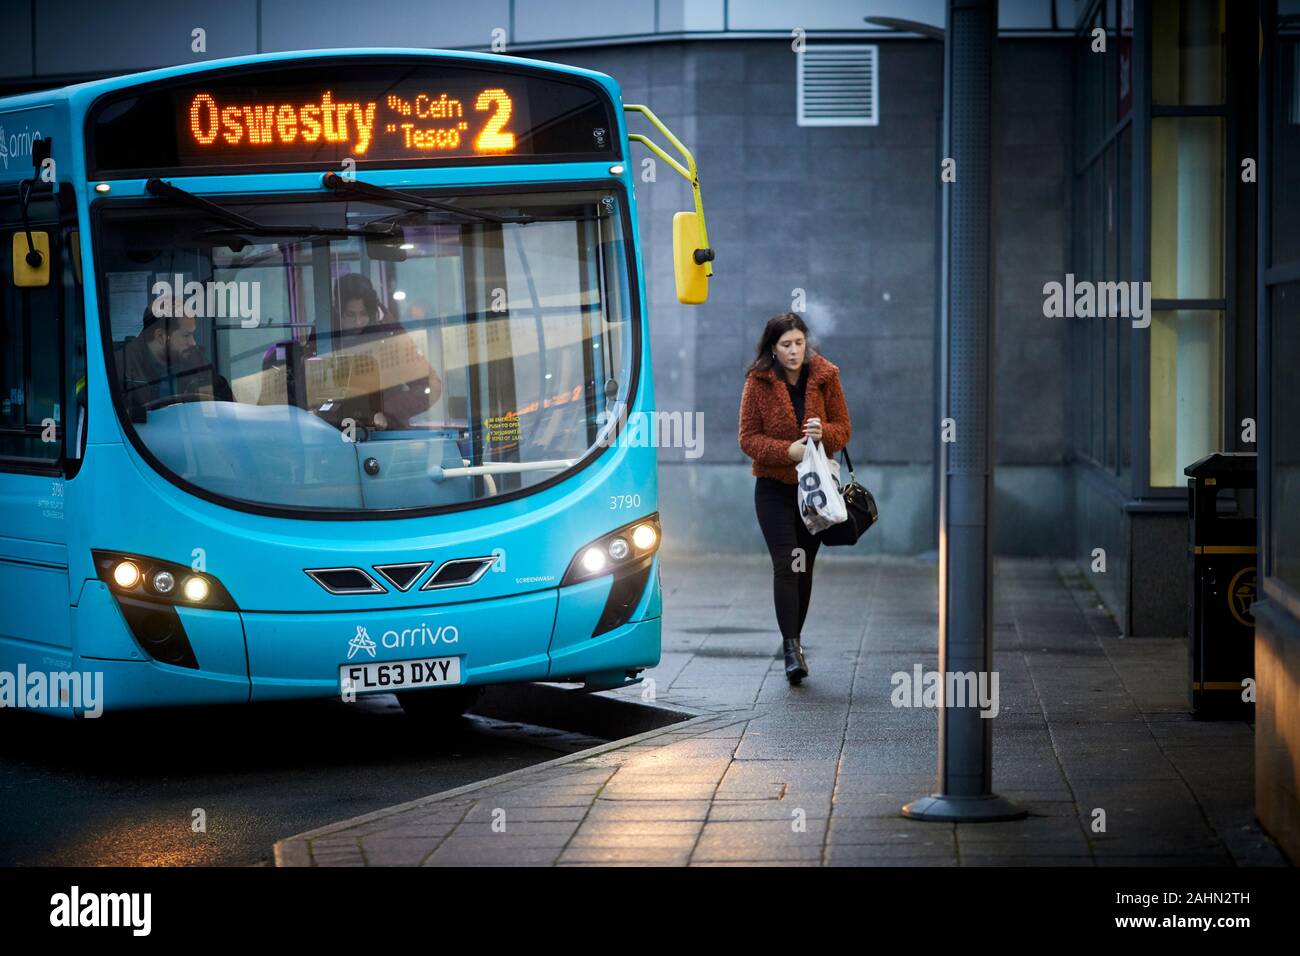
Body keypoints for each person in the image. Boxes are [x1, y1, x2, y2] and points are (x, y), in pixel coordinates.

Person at [737, 313, 852, 685]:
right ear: (773, 348)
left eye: (799, 343)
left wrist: (824, 433)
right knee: (787, 564)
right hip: (773, 489)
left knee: (803, 568)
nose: (793, 351)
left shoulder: (825, 377)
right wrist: (789, 452)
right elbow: (748, 438)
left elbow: (844, 429)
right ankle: (791, 647)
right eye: (786, 345)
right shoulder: (758, 382)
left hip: (813, 491)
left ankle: (795, 639)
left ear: (806, 343)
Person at [115, 300, 232, 416]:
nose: (193, 343)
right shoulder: (120, 367)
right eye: (186, 335)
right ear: (160, 336)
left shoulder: (196, 359)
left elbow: (228, 407)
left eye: (192, 334)